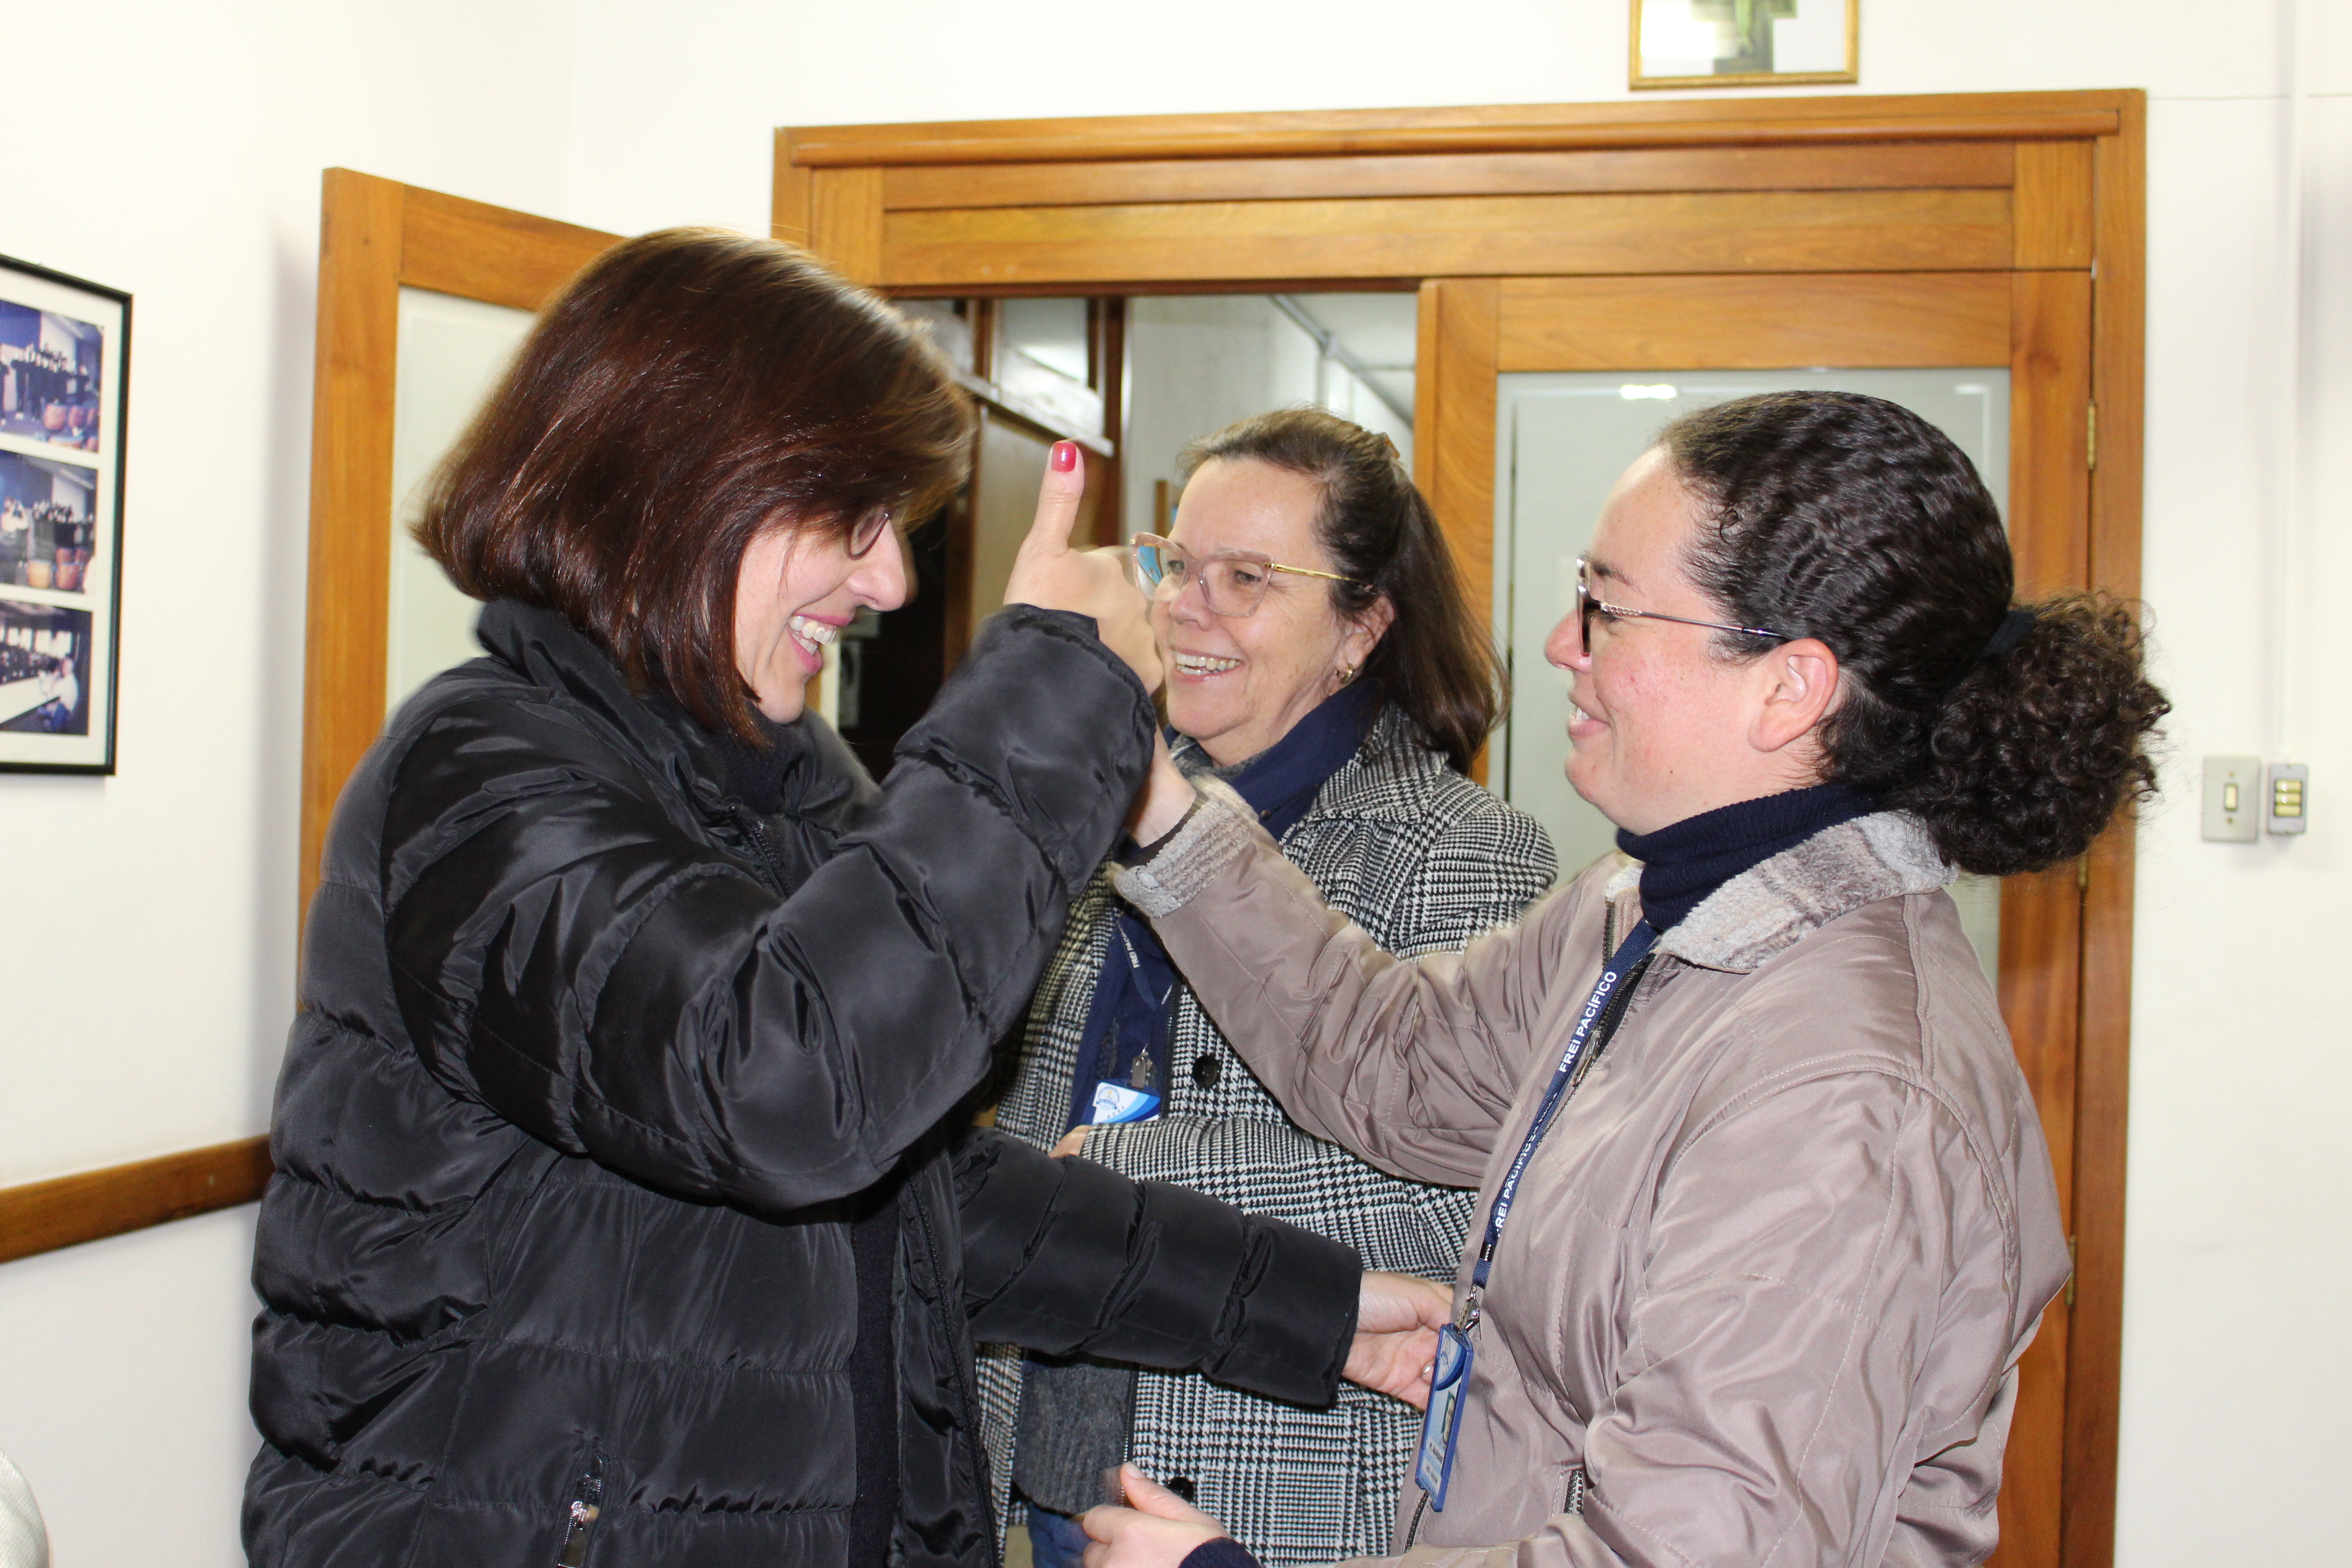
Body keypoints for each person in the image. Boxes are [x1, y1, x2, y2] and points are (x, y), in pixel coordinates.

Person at [243, 230, 1450, 1568]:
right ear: (684, 479)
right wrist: (1059, 687)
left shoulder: (783, 774)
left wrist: (1308, 1308)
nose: (889, 582)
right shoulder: (479, 781)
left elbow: (922, 1198)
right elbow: (788, 1089)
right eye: (851, 519)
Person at [1079, 390, 2171, 1568]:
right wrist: (1162, 804)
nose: (1561, 643)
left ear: (1789, 687)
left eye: (1606, 607)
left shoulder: (1850, 1092)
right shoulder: (1647, 903)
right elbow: (1395, 1065)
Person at [978, 410, 1553, 1568]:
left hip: (1263, 1486)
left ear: (1362, 625)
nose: (1188, 606)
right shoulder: (1106, 802)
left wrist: (1111, 1177)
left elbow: (1454, 1191)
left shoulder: (1466, 851)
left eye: (1247, 578)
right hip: (1039, 1449)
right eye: (1177, 564)